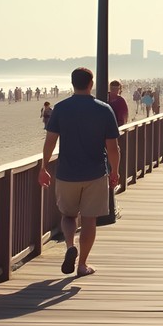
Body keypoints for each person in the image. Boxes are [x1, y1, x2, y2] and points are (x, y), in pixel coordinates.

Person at [39, 67, 120, 279]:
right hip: (94, 173)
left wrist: (44, 167)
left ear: (72, 83)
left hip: (67, 172)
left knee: (68, 215)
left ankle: (69, 246)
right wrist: (115, 171)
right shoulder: (103, 110)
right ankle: (82, 264)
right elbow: (113, 147)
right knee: (89, 219)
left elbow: (50, 141)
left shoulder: (61, 108)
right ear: (91, 83)